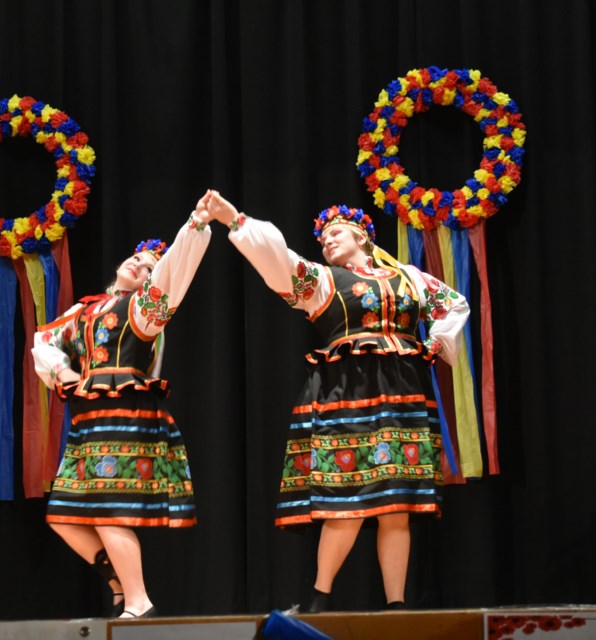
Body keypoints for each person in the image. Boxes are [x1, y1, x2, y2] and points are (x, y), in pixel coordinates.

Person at [205, 191, 469, 611]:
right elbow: (278, 259)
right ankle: (319, 597)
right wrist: (235, 220)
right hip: (348, 390)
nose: (326, 242)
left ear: (362, 236)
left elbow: (453, 304)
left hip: (401, 389)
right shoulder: (323, 281)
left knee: (396, 505)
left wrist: (437, 342)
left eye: (335, 233)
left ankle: (397, 605)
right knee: (345, 499)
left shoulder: (409, 278)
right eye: (323, 238)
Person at [32, 192, 213, 618]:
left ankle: (139, 601)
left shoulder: (144, 309)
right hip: (90, 415)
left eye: (148, 267)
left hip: (125, 412)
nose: (138, 264)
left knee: (109, 510)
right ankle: (119, 585)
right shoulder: (85, 309)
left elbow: (173, 275)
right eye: (135, 259)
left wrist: (196, 225)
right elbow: (45, 341)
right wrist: (63, 372)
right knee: (63, 515)